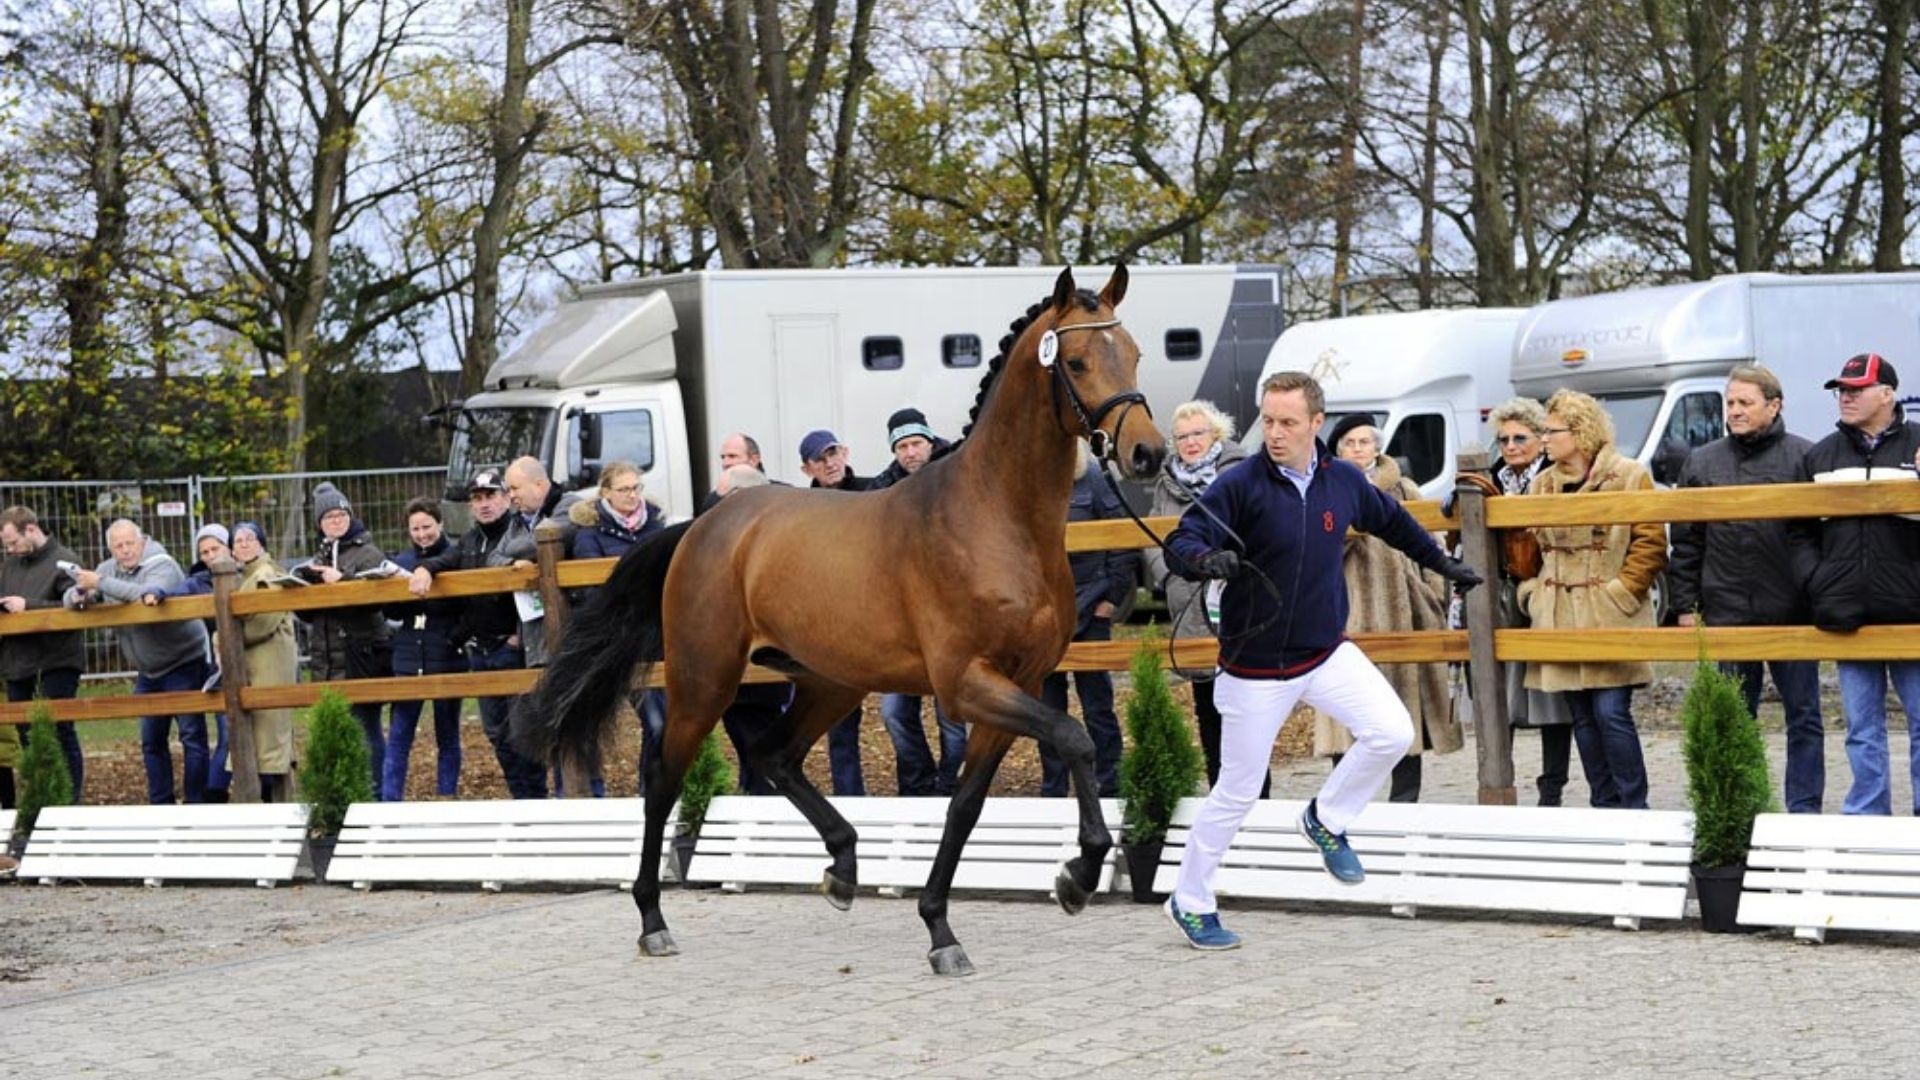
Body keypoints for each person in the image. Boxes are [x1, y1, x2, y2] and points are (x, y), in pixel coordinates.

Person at [1161, 371, 1482, 949]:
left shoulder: (1343, 482)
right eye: (1269, 421)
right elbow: (1181, 539)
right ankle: (1190, 901)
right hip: (1255, 665)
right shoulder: (1242, 484)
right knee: (1234, 791)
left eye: (1288, 422)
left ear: (1316, 424)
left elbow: (1394, 522)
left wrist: (1444, 563)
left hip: (1324, 651)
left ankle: (1326, 818)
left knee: (1390, 732)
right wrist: (1204, 561)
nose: (1276, 433)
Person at [1670, 366, 1824, 813]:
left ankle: (1804, 811)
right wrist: (1684, 606)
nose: (1734, 411)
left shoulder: (1804, 457)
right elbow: (1686, 542)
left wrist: (1817, 598)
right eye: (1730, 403)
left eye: (1744, 403)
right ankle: (1740, 809)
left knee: (1806, 718)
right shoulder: (1701, 463)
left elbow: (1821, 538)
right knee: (1734, 720)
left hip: (1791, 610)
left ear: (1774, 405)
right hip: (1727, 610)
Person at [1518, 390, 1665, 811]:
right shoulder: (1541, 483)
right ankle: (1604, 805)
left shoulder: (1629, 474)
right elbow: (1526, 547)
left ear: (1579, 432)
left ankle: (1634, 806)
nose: (1544, 439)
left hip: (1609, 613)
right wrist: (1533, 596)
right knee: (1581, 717)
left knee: (1611, 712)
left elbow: (1651, 541)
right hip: (1559, 615)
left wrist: (1621, 592)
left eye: (1552, 431)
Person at [1788, 352, 1920, 816]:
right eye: (1842, 389)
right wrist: (1818, 582)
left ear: (1887, 394)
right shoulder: (1819, 454)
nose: (1845, 396)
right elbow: (1800, 532)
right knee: (1862, 727)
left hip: (1912, 611)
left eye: (1856, 388)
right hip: (1846, 610)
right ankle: (1867, 816)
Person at [1312, 417, 1459, 803]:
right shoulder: (1323, 488)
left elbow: (1432, 541)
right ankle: (1344, 805)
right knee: (1348, 712)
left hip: (1406, 610)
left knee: (1403, 710)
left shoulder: (1405, 488)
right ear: (1337, 451)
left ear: (1377, 448)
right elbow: (1316, 548)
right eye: (1349, 443)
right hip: (1348, 613)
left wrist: (1434, 593)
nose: (1358, 449)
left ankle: (1405, 801)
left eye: (1365, 442)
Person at [1142, 401, 1262, 797]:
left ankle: (1257, 800)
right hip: (1189, 605)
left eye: (1198, 434)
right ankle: (1219, 794)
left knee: (1246, 711)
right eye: (1182, 437)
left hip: (1235, 601)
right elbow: (1154, 539)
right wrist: (1168, 575)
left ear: (1216, 434)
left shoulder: (1241, 471)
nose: (1190, 443)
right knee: (1208, 708)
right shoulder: (1166, 482)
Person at [408, 469, 547, 799]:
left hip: (513, 649)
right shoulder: (469, 540)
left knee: (523, 731)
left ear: (504, 498)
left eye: (490, 496)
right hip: (481, 651)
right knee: (496, 733)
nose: (484, 504)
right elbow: (447, 557)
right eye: (477, 498)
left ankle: (537, 800)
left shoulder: (518, 534)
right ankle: (522, 800)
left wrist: (518, 637)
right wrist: (425, 568)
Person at [1467, 398, 1573, 806]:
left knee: (1550, 694)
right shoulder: (1486, 480)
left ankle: (1552, 790)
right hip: (1502, 594)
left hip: (1546, 593)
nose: (1510, 446)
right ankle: (1497, 779)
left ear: (1540, 439)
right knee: (1497, 691)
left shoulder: (1554, 477)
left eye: (1519, 438)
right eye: (1503, 439)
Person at [65, 520, 212, 804]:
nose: (124, 551)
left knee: (192, 736)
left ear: (141, 541)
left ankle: (198, 804)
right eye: (117, 546)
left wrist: (100, 583)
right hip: (148, 670)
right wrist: (79, 593)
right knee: (151, 741)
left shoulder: (162, 564)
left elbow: (146, 596)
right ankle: (161, 805)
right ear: (109, 549)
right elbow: (72, 601)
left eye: (129, 544)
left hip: (183, 660)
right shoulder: (107, 569)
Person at [868, 408, 966, 795]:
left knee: (952, 716)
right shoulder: (882, 487)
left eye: (915, 444)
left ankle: (951, 784)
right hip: (901, 623)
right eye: (902, 446)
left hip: (952, 621)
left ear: (929, 442)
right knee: (893, 712)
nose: (910, 453)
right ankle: (917, 782)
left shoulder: (956, 471)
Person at [1035, 446, 1136, 798]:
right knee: (1048, 711)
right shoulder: (1031, 481)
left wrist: (1111, 598)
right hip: (1044, 617)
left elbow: (1123, 538)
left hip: (1091, 607)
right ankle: (1054, 789)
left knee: (1098, 707)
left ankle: (1110, 785)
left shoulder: (1094, 477)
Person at [569, 461, 666, 795]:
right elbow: (596, 590)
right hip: (617, 640)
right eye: (624, 489)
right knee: (615, 720)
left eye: (636, 488)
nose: (632, 495)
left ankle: (650, 789)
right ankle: (607, 792)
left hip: (656, 636)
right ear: (606, 492)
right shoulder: (590, 534)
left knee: (663, 722)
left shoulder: (655, 525)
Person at [303, 482, 394, 799]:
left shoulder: (368, 552)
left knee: (366, 730)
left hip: (361, 657)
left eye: (340, 514)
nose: (336, 521)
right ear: (319, 523)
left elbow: (375, 600)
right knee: (334, 731)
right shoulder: (319, 555)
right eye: (328, 517)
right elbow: (310, 616)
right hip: (325, 660)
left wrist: (343, 582)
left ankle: (376, 794)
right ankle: (345, 797)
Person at [0, 506, 88, 801]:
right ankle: (41, 795)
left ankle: (69, 799)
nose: (10, 550)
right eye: (6, 545)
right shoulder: (10, 565)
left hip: (57, 658)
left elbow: (75, 607)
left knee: (59, 729)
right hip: (18, 660)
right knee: (26, 734)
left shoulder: (66, 561)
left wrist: (29, 607)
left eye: (13, 543)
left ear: (31, 530)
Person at [141, 523, 235, 800]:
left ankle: (266, 795)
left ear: (227, 546)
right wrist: (159, 592)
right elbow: (177, 591)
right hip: (221, 666)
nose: (209, 556)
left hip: (258, 660)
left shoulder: (248, 572)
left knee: (263, 735)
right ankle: (212, 796)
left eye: (214, 548)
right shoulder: (198, 581)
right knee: (228, 734)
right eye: (204, 551)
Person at [798, 429, 867, 795]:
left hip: (878, 618)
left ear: (846, 451)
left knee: (902, 716)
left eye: (834, 453)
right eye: (820, 459)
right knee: (839, 717)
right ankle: (850, 797)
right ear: (806, 468)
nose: (830, 463)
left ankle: (920, 794)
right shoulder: (801, 511)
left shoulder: (875, 491)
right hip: (831, 627)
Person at [385, 498, 468, 802]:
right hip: (409, 655)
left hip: (447, 654)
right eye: (415, 529)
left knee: (447, 733)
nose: (422, 534)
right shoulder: (402, 561)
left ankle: (446, 797)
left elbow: (469, 607)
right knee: (399, 734)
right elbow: (392, 613)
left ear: (440, 524)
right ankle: (390, 800)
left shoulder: (456, 556)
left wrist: (453, 639)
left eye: (427, 527)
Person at [224, 521, 297, 801]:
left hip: (269, 667)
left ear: (261, 543)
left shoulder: (267, 574)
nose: (243, 544)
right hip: (253, 668)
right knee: (259, 743)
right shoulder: (246, 577)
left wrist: (224, 639)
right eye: (237, 541)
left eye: (249, 539)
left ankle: (278, 808)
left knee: (272, 745)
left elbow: (262, 623)